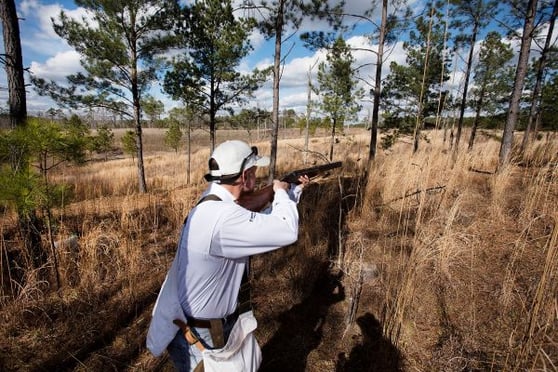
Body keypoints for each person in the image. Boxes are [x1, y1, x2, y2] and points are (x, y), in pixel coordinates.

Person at [146, 140, 309, 371]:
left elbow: (256, 221)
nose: (257, 177)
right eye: (254, 172)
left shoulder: (211, 202)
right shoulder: (224, 218)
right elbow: (286, 230)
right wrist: (280, 192)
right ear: (245, 177)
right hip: (201, 334)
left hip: (203, 324)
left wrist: (293, 191)